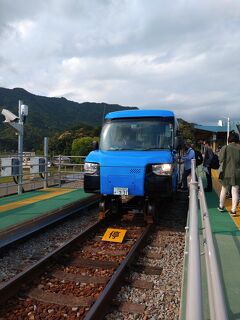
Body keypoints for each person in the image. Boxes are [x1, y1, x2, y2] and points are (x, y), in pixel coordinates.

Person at [217, 132, 240, 215]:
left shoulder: (225, 148)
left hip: (227, 172)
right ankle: (233, 210)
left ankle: (221, 206)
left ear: (229, 139)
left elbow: (220, 159)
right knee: (235, 191)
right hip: (237, 173)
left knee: (224, 189)